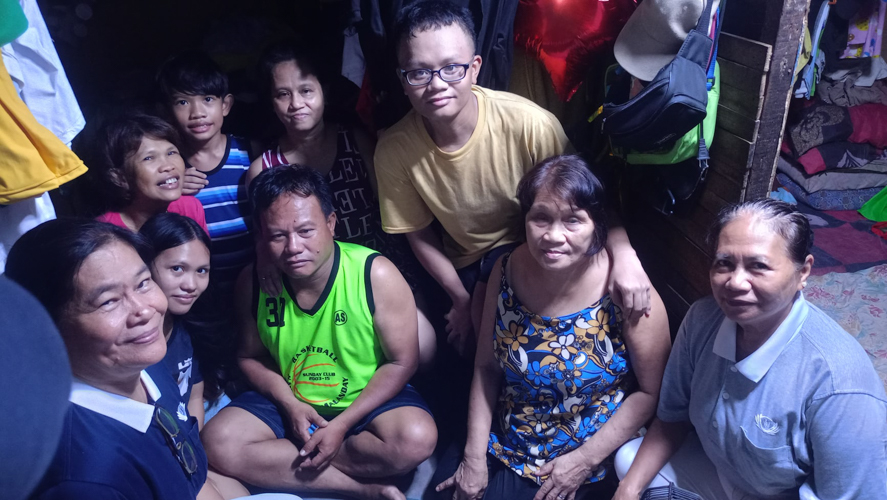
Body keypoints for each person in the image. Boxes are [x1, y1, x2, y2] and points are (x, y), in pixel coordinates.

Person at [375, 0, 653, 357]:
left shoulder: (529, 124)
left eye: (451, 69)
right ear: (402, 80)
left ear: (474, 68)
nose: (437, 84)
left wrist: (626, 254)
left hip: (539, 242)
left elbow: (588, 201)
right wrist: (459, 300)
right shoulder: (395, 149)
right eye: (419, 73)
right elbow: (417, 233)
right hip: (468, 264)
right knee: (470, 342)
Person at [613, 199, 887, 500]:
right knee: (628, 463)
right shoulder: (703, 319)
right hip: (725, 472)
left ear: (803, 272)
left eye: (758, 266)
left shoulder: (840, 386)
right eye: (724, 264)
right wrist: (627, 491)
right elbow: (672, 419)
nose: (736, 282)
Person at [433, 156, 671, 500]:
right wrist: (473, 457)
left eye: (573, 220)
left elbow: (651, 394)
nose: (553, 236)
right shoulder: (506, 269)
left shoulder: (626, 292)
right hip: (508, 438)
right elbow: (486, 368)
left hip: (587, 454)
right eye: (540, 218)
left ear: (597, 225)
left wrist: (583, 461)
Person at [201, 165, 437, 500]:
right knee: (217, 442)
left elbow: (402, 362)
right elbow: (249, 356)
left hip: (365, 397)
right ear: (262, 236)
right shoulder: (254, 281)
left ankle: (287, 457)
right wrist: (289, 403)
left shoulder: (374, 273)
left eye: (306, 230)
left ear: (331, 223)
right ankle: (363, 489)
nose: (293, 246)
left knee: (415, 440)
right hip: (293, 399)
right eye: (278, 236)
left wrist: (341, 426)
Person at [3, 219, 237, 499]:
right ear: (47, 328)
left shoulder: (145, 365)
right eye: (109, 301)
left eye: (143, 283)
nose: (145, 310)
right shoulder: (86, 479)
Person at [245, 41, 435, 368]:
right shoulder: (263, 170)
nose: (296, 104)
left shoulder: (356, 139)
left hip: (382, 267)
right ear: (272, 102)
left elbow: (392, 208)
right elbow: (265, 236)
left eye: (306, 90)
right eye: (283, 94)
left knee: (421, 355)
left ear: (324, 92)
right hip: (315, 284)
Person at [157, 51, 255, 289]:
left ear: (226, 105)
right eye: (182, 102)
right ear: (167, 112)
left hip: (257, 280)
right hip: (200, 290)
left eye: (208, 99)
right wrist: (173, 189)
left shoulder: (249, 153)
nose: (197, 112)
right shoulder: (169, 167)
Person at [140, 213, 212, 428]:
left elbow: (194, 398)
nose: (191, 284)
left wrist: (193, 450)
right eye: (177, 269)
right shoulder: (130, 338)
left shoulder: (185, 329)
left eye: (202, 271)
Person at [92, 113, 208, 233]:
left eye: (171, 153)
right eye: (148, 158)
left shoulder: (189, 208)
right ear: (119, 178)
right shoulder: (104, 234)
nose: (168, 166)